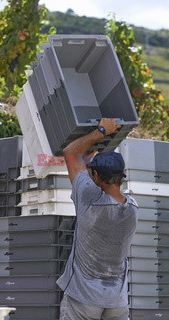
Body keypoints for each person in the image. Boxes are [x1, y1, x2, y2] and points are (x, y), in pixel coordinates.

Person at [56, 118, 139, 320]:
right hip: (116, 302)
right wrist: (91, 168)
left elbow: (70, 152)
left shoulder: (89, 198)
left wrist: (101, 131)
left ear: (94, 177)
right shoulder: (132, 208)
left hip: (84, 299)